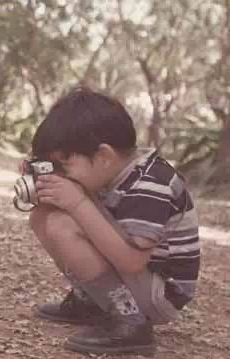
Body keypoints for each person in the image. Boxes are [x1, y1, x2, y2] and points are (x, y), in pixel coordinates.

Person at [25, 87, 200, 356]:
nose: (63, 174)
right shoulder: (112, 172)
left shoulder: (151, 184)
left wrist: (77, 201)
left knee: (63, 224)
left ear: (104, 156)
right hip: (139, 278)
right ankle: (92, 302)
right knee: (42, 216)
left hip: (160, 294)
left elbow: (132, 260)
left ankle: (131, 321)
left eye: (64, 165)